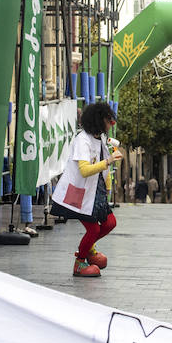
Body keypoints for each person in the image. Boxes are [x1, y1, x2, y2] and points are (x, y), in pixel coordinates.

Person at [52, 101, 121, 277]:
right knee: (94, 230)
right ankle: (80, 262)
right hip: (80, 194)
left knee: (110, 223)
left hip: (96, 192)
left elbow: (102, 162)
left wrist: (107, 184)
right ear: (99, 121)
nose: (111, 123)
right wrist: (109, 161)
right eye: (108, 120)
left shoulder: (99, 138)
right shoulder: (82, 140)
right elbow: (84, 170)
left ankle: (88, 249)